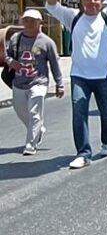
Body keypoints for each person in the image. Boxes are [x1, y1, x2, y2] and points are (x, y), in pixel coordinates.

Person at [45, 0, 107, 169]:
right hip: (80, 76)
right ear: (82, 1)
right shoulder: (74, 17)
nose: (92, 1)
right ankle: (83, 153)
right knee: (79, 113)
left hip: (104, 76)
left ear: (100, 1)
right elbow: (52, 7)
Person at [4, 9, 64, 156]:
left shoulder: (47, 42)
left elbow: (55, 64)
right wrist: (11, 62)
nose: (29, 23)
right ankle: (39, 130)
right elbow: (7, 56)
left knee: (34, 113)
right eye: (26, 20)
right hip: (18, 83)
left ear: (39, 22)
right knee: (20, 111)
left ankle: (31, 144)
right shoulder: (16, 39)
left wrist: (59, 84)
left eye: (32, 20)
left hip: (38, 82)